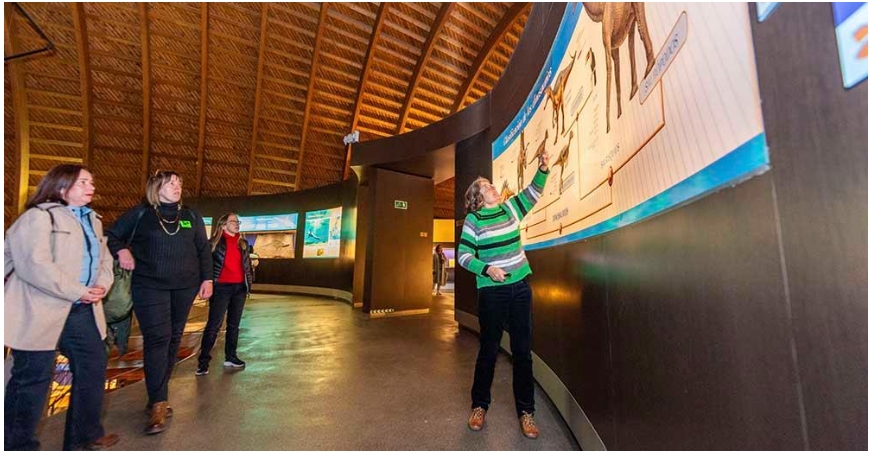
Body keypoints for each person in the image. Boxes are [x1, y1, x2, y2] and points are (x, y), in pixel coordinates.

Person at [4, 164, 120, 450]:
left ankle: (85, 436)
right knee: (33, 379)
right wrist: (78, 290)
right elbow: (35, 266)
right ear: (60, 186)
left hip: (81, 310)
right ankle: (16, 444)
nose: (90, 186)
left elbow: (105, 260)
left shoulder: (94, 220)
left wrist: (102, 286)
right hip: (39, 309)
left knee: (93, 366)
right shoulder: (38, 217)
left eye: (91, 182)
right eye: (83, 182)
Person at [106, 171, 212, 435]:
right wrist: (122, 250)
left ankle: (157, 393)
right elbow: (111, 235)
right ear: (156, 187)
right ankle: (158, 404)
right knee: (157, 339)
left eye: (179, 182)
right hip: (149, 286)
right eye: (171, 182)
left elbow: (202, 249)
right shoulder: (141, 214)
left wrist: (207, 278)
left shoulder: (191, 216)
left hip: (184, 287)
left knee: (174, 337)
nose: (177, 186)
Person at [458, 152, 550, 439]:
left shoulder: (511, 209)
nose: (492, 186)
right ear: (477, 196)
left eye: (491, 184)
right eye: (486, 185)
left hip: (520, 288)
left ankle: (527, 413)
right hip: (492, 293)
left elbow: (532, 193)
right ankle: (479, 406)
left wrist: (543, 168)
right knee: (488, 351)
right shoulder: (473, 220)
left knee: (523, 353)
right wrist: (487, 269)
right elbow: (462, 256)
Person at [195, 213, 254, 376]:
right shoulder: (213, 243)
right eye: (233, 221)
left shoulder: (242, 243)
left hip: (239, 289)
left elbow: (247, 265)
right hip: (220, 288)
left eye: (238, 221)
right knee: (214, 325)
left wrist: (249, 283)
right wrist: (207, 282)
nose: (237, 224)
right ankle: (203, 362)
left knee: (234, 325)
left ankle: (231, 357)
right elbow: (204, 264)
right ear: (222, 225)